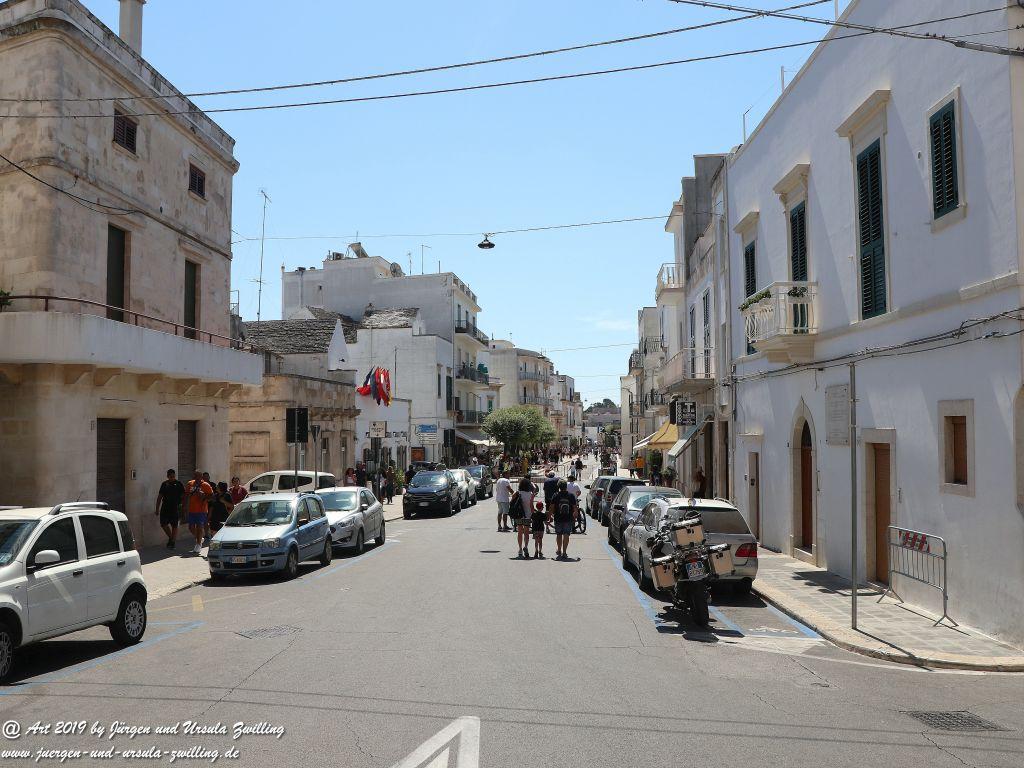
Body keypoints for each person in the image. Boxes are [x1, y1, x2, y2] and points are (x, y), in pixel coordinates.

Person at [184, 470, 213, 554]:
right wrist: (184, 506)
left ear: (201, 477)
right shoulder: (190, 484)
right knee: (191, 527)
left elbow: (211, 496)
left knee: (199, 526)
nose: (196, 478)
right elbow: (186, 495)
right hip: (191, 509)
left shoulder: (205, 485)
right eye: (195, 476)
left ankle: (198, 544)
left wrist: (203, 496)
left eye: (198, 476)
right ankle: (199, 538)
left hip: (201, 510)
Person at [155, 469, 185, 550]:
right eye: (170, 476)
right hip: (165, 507)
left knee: (174, 525)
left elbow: (183, 496)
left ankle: (172, 542)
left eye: (173, 476)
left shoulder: (179, 484)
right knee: (163, 524)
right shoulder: (164, 484)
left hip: (175, 507)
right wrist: (157, 508)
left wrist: (183, 507)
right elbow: (160, 497)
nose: (172, 478)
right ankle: (171, 538)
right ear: (167, 476)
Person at [550, 479, 578, 560]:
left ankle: (559, 550)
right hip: (568, 518)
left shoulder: (556, 495)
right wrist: (575, 513)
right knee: (566, 534)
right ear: (566, 486)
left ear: (558, 487)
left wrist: (549, 516)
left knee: (559, 534)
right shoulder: (571, 495)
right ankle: (564, 552)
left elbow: (551, 507)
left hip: (558, 518)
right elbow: (574, 507)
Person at [513, 476, 536, 559]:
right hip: (527, 515)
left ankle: (519, 549)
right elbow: (531, 506)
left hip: (519, 515)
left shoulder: (517, 493)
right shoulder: (530, 494)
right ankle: (526, 546)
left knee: (519, 532)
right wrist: (534, 514)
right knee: (526, 532)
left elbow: (512, 503)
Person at [531, 493, 547, 559]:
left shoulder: (534, 514)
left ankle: (536, 551)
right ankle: (540, 551)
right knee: (540, 540)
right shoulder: (543, 515)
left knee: (536, 541)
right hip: (541, 529)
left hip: (535, 529)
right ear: (542, 508)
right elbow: (545, 522)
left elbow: (531, 519)